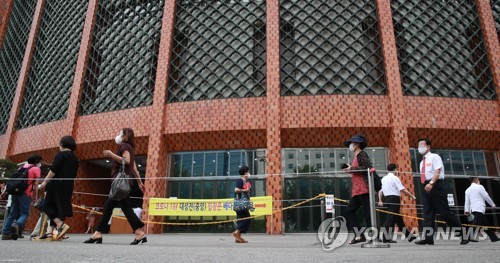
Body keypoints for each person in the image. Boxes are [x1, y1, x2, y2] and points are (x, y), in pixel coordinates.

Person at [85, 128, 146, 245]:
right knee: (125, 208)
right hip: (126, 183)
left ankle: (98, 233)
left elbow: (127, 161)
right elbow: (134, 168)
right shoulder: (130, 148)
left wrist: (111, 154)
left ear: (125, 136)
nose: (119, 135)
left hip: (120, 183)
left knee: (109, 206)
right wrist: (139, 182)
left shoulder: (124, 146)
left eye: (120, 133)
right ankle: (138, 232)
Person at [415, 138, 468, 245]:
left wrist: (431, 183)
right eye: (418, 146)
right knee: (427, 213)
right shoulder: (421, 162)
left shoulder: (435, 157)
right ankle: (428, 238)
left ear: (429, 146)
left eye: (422, 145)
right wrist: (426, 185)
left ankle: (464, 234)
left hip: (435, 185)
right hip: (426, 186)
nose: (420, 148)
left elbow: (437, 170)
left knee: (445, 212)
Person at [39, 136, 79, 241]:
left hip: (56, 184)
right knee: (57, 207)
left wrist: (44, 182)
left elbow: (54, 170)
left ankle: (60, 224)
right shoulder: (75, 158)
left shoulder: (62, 154)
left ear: (62, 144)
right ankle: (49, 232)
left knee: (46, 205)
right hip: (68, 185)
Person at [1, 154, 42, 241]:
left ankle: (5, 233)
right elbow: (35, 184)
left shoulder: (23, 167)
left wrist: (5, 191)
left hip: (15, 193)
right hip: (26, 194)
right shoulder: (36, 169)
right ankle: (17, 224)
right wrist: (35, 195)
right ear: (37, 162)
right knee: (25, 213)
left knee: (12, 214)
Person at [342, 135, 373, 244]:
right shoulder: (355, 156)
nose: (350, 145)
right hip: (357, 190)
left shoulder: (362, 154)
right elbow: (358, 170)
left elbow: (367, 168)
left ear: (357, 144)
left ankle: (373, 236)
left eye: (352, 143)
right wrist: (350, 169)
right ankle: (359, 235)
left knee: (368, 214)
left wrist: (352, 169)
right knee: (349, 211)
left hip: (364, 188)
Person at [378, 163, 417, 243]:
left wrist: (380, 200)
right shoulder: (395, 178)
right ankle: (385, 238)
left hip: (387, 199)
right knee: (391, 219)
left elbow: (380, 191)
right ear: (395, 169)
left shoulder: (384, 178)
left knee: (398, 219)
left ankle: (409, 237)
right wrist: (412, 196)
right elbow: (402, 189)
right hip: (394, 199)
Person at [464, 177, 498, 242]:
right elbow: (486, 196)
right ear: (476, 180)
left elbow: (467, 201)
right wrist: (492, 204)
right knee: (476, 224)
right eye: (478, 179)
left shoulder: (467, 190)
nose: (479, 180)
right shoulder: (479, 187)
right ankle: (468, 237)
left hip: (473, 209)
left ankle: (494, 238)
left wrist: (466, 210)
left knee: (485, 224)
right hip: (479, 208)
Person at [232, 166, 252, 243]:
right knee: (247, 219)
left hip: (239, 204)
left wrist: (245, 190)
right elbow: (236, 190)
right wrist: (245, 190)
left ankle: (238, 238)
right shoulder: (240, 180)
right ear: (245, 173)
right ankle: (236, 232)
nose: (249, 173)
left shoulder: (244, 182)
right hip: (241, 204)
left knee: (241, 220)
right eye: (248, 172)